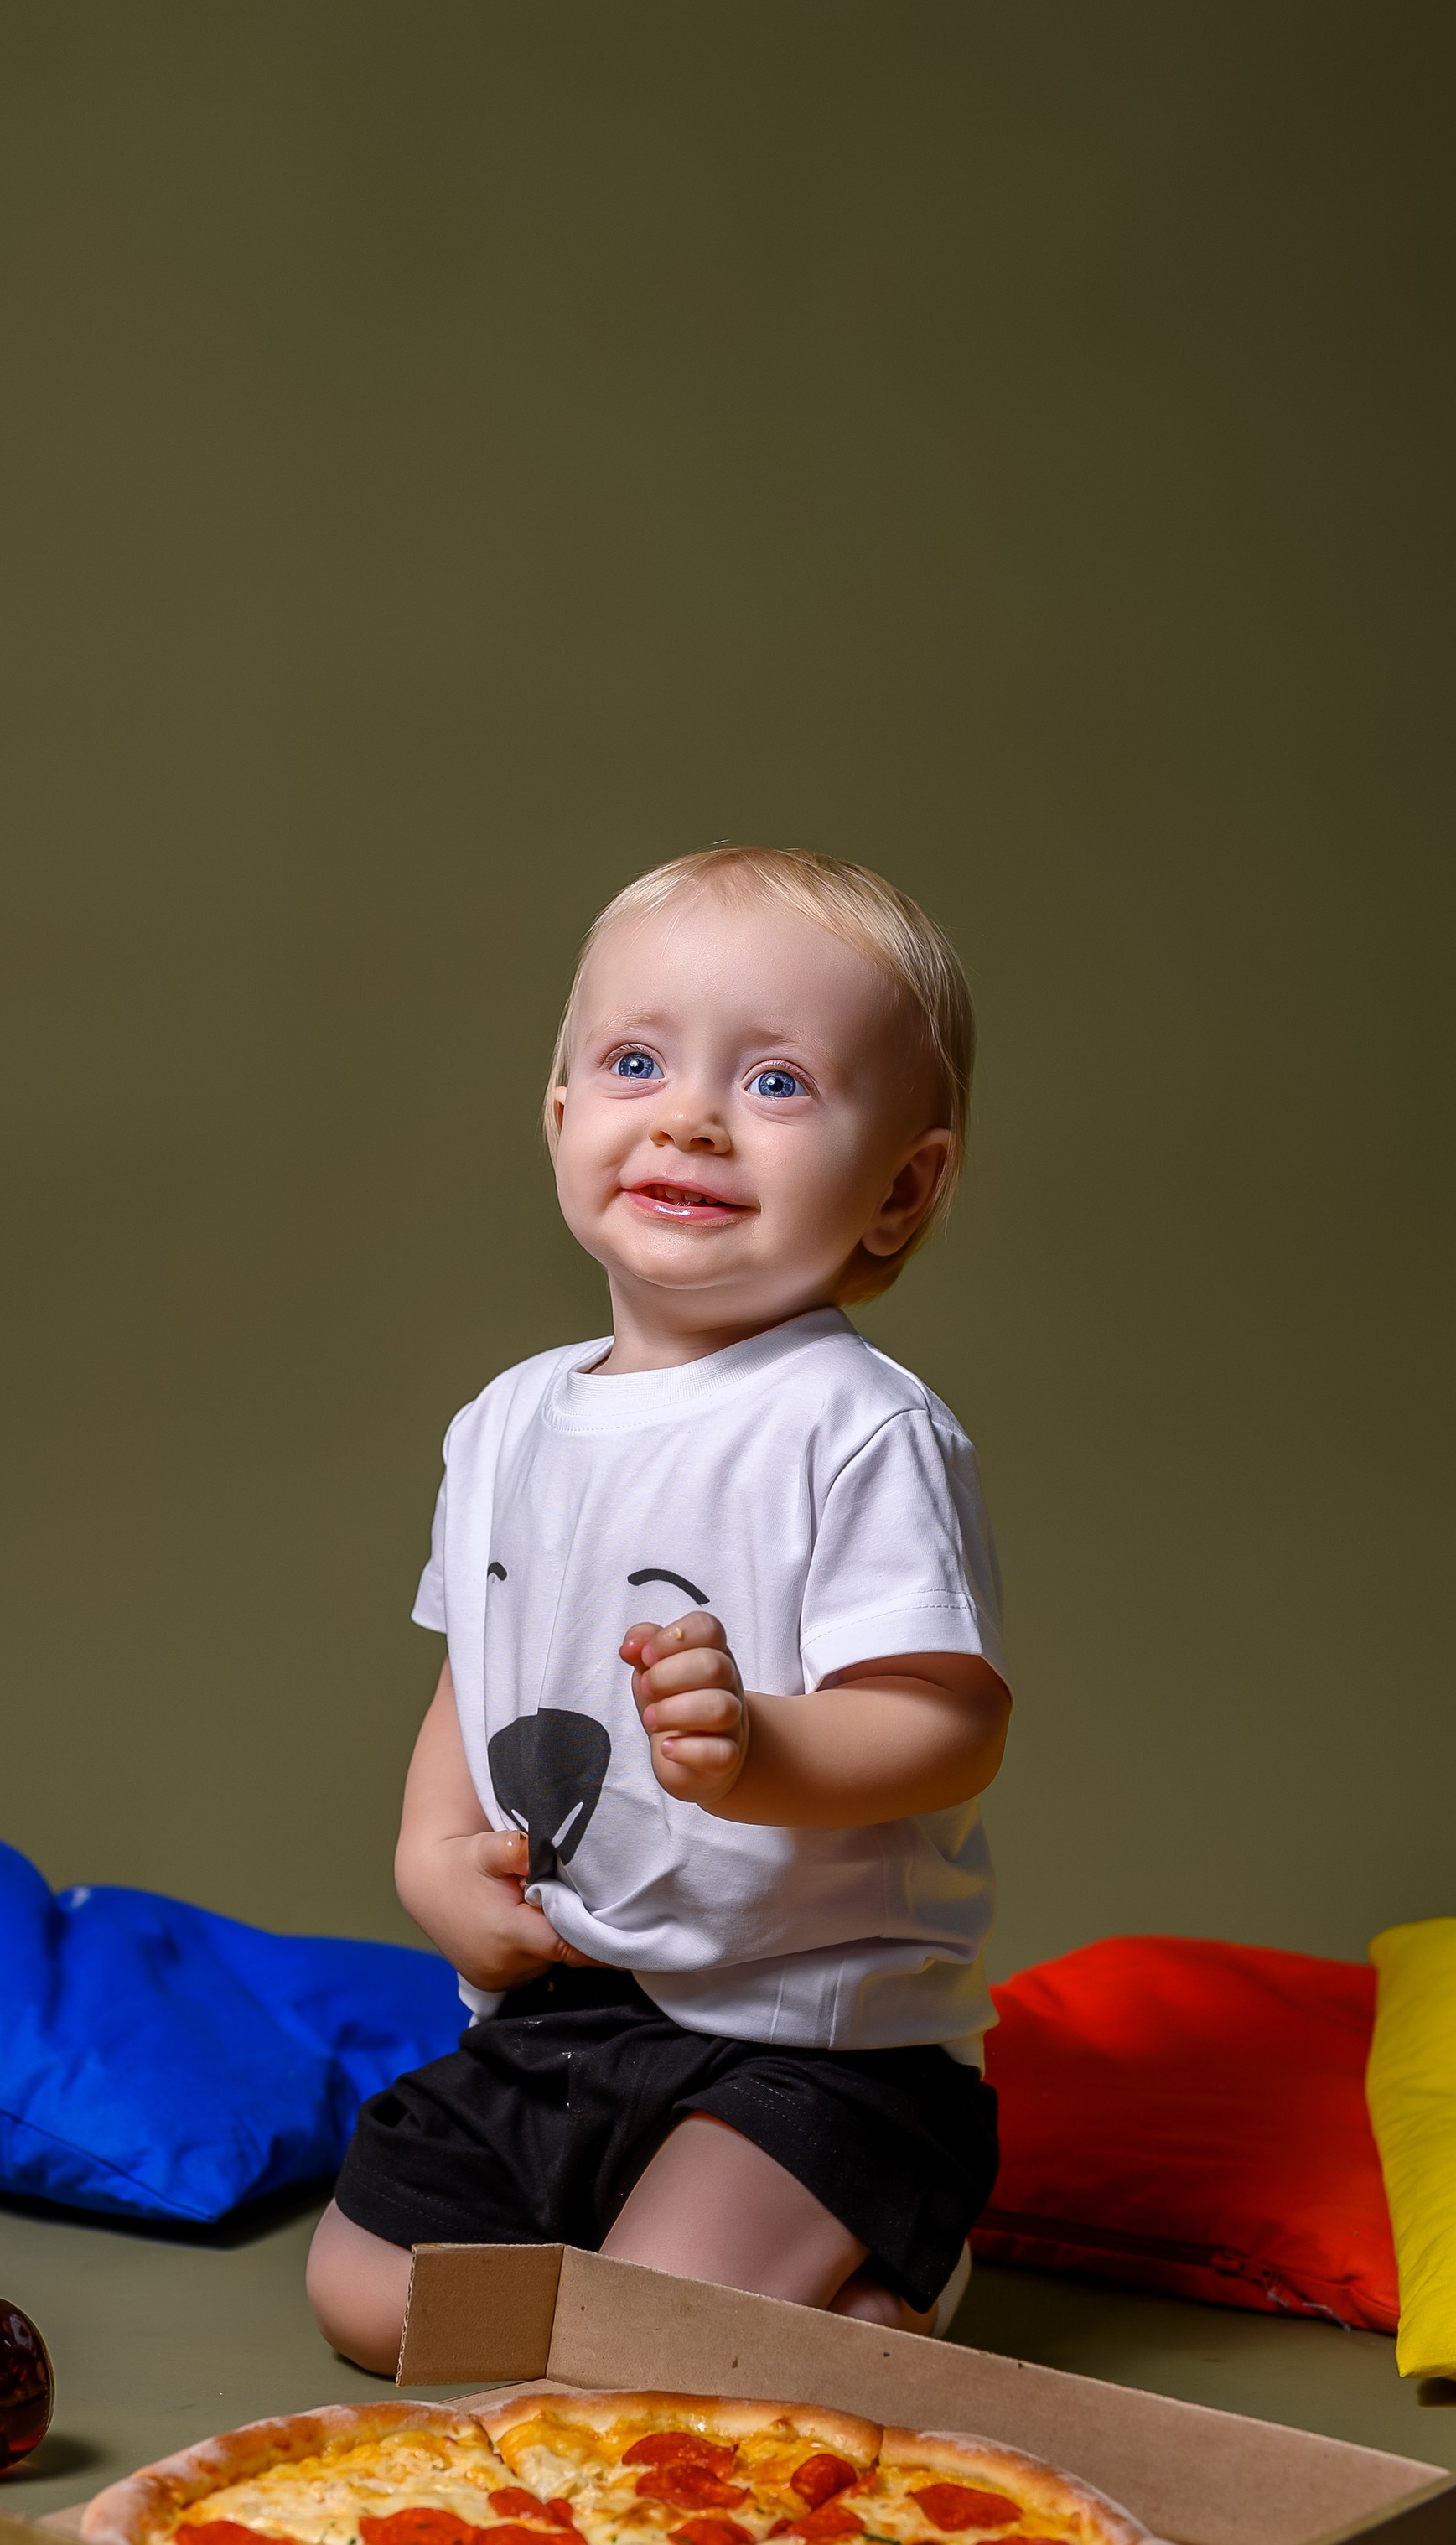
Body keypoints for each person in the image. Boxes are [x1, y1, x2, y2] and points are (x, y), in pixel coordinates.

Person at [308, 846, 1011, 2373]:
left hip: (810, 2046)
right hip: (570, 2013)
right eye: (635, 1062)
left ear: (902, 1187)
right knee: (365, 2299)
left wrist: (763, 1754)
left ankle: (895, 2267)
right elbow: (473, 1675)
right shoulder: (504, 1421)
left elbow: (950, 1722)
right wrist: (435, 1860)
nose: (687, 1114)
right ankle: (710, 2282)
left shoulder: (853, 1426)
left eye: (775, 1085)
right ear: (562, 1118)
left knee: (651, 2347)